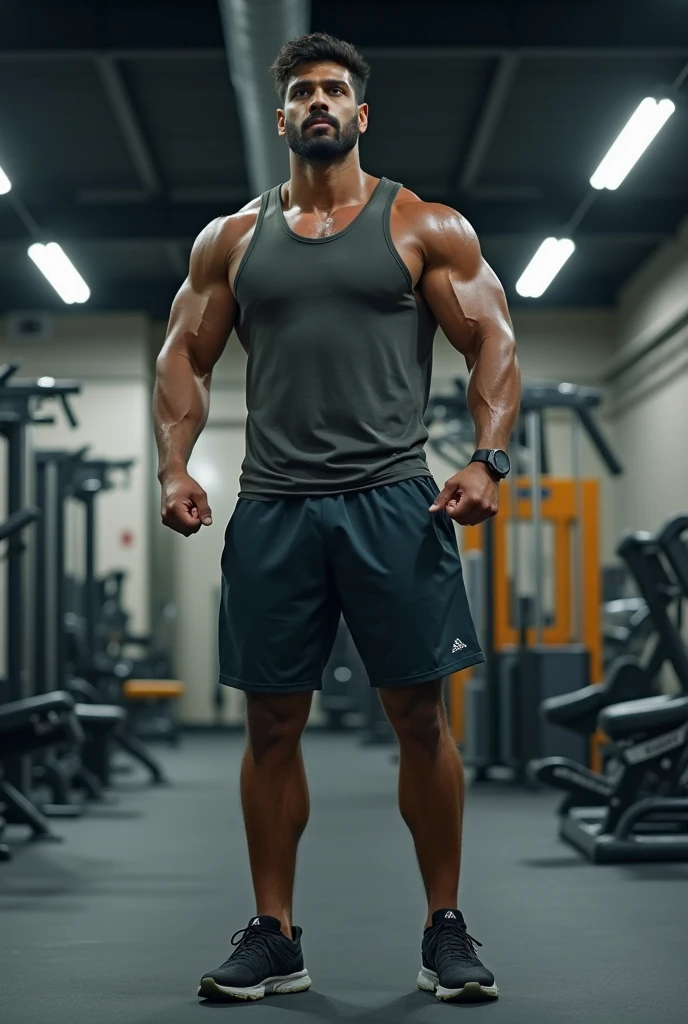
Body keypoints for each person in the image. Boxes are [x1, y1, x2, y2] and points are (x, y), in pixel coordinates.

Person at [153, 32, 520, 1005]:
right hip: (274, 505)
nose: (320, 103)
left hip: (393, 499)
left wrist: (487, 460)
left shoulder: (422, 226)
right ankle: (274, 931)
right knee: (271, 723)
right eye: (305, 92)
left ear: (361, 113)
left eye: (335, 91)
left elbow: (491, 340)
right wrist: (173, 466)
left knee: (418, 715)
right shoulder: (232, 239)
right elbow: (181, 356)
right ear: (283, 119)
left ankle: (445, 924)